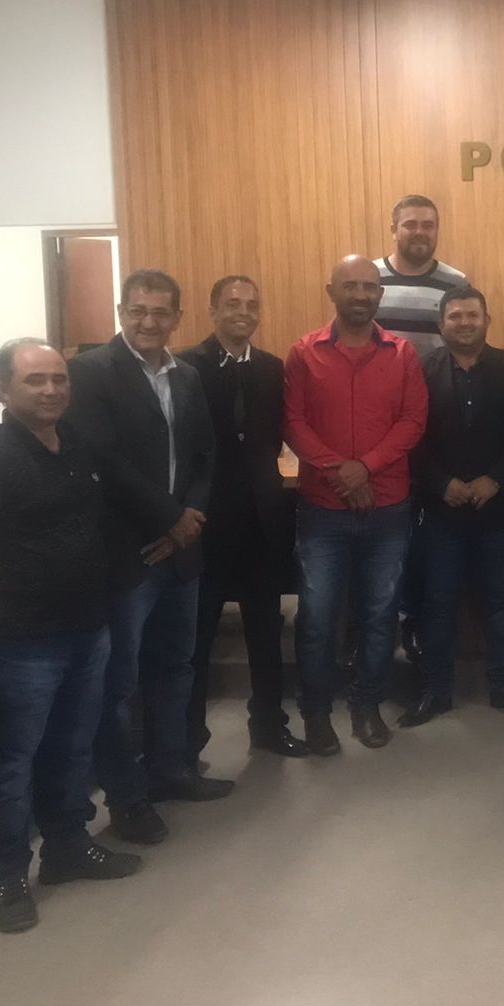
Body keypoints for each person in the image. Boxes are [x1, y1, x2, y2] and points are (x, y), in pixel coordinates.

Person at [0, 340, 141, 934]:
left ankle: (68, 849)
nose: (51, 390)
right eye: (34, 381)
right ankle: (5, 877)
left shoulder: (76, 447)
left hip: (85, 630)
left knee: (70, 751)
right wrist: (13, 595)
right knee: (9, 764)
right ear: (3, 391)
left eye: (58, 379)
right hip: (17, 642)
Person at [66, 269, 227, 847]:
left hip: (180, 551)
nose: (149, 322)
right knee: (119, 681)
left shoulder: (185, 375)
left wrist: (188, 521)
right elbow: (105, 461)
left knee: (173, 669)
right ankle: (126, 798)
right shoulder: (89, 374)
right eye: (138, 311)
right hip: (129, 553)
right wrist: (168, 519)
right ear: (120, 310)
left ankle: (171, 770)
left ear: (178, 318)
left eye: (161, 313)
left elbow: (205, 456)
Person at [283, 255, 428, 753]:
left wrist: (364, 466)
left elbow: (412, 421)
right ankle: (317, 714)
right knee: (318, 616)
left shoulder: (403, 354)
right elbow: (293, 422)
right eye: (351, 286)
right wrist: (339, 472)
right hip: (323, 510)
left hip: (387, 508)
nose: (361, 294)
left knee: (380, 612)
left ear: (380, 294)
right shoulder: (304, 354)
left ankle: (366, 706)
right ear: (331, 291)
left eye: (369, 286)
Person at [180, 276, 306, 762]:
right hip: (203, 524)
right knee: (197, 638)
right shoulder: (186, 367)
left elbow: (273, 439)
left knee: (265, 631)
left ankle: (270, 725)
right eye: (232, 304)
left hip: (262, 521)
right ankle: (188, 743)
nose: (243, 312)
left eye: (252, 305)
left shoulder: (273, 368)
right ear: (212, 310)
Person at [401, 286, 504, 724]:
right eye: (455, 316)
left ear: (487, 320)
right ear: (441, 324)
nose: (464, 323)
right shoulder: (421, 371)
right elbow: (411, 437)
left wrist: (494, 479)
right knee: (438, 605)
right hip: (441, 512)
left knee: (498, 602)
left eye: (472, 315)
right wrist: (442, 484)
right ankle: (435, 691)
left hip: (497, 511)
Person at [376, 194, 469, 663]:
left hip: (434, 430)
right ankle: (372, 629)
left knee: (423, 536)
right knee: (378, 532)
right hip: (376, 432)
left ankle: (413, 625)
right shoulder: (370, 280)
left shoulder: (454, 282)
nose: (419, 231)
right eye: (410, 223)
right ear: (393, 228)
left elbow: (461, 348)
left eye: (428, 224)